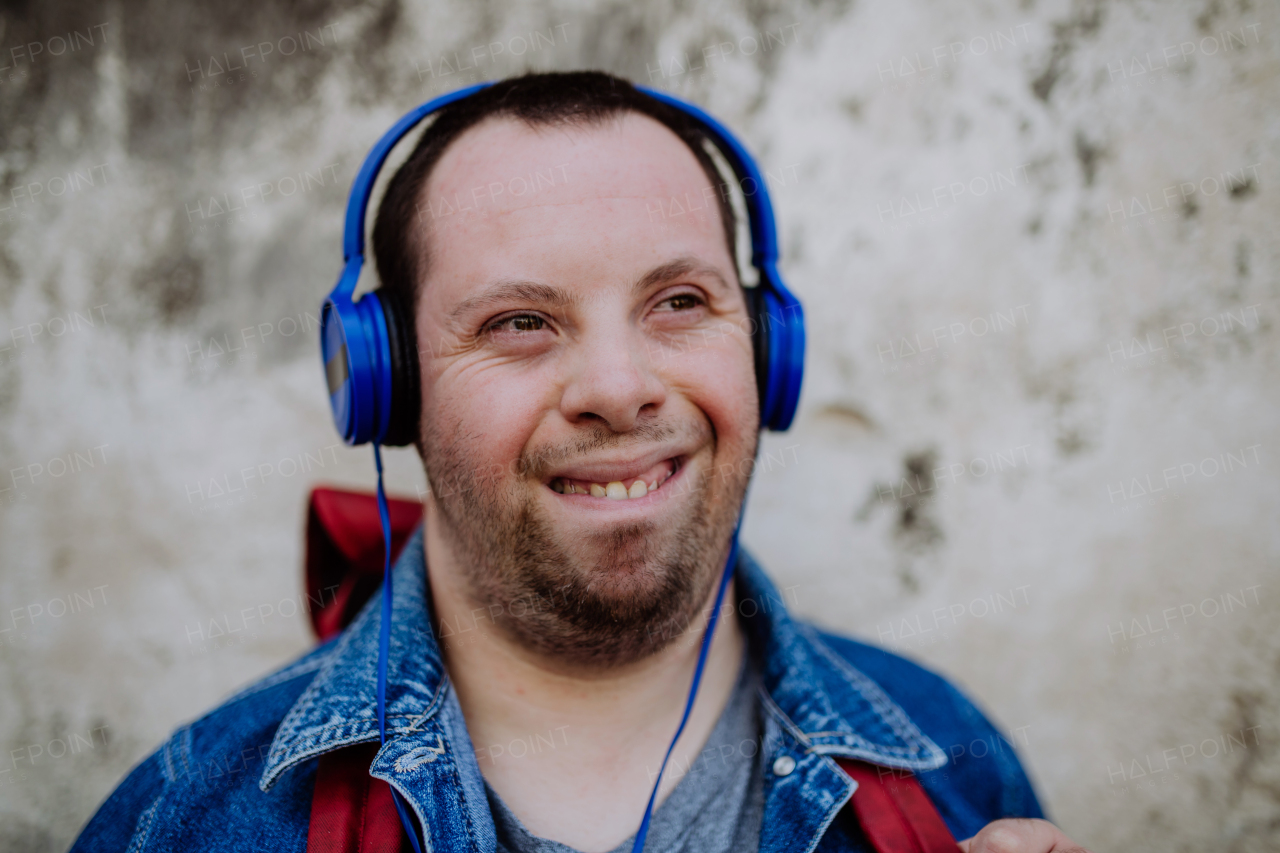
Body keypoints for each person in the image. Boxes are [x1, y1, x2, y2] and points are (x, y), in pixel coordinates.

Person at [71, 71, 1090, 853]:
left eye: (679, 302)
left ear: (766, 351)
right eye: (520, 320)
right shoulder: (183, 818)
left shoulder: (954, 762)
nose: (618, 385)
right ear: (388, 389)